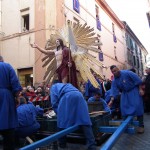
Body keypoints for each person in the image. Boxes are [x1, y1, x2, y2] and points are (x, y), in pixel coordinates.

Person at [50, 83, 96, 150]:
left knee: (61, 122)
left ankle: (62, 145)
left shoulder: (53, 87)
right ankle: (92, 145)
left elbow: (54, 102)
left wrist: (59, 113)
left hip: (67, 96)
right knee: (84, 120)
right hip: (79, 95)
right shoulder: (67, 85)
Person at [108, 65, 144, 133]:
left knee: (137, 106)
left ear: (118, 69)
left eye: (115, 70)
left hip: (133, 90)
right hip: (125, 93)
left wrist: (140, 89)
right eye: (113, 72)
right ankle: (127, 125)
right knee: (123, 107)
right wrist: (111, 101)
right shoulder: (114, 80)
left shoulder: (128, 73)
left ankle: (141, 125)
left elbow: (138, 80)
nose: (114, 72)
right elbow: (114, 90)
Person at [0, 55, 22, 150]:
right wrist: (17, 97)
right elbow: (15, 83)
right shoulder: (7, 66)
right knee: (8, 129)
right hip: (6, 97)